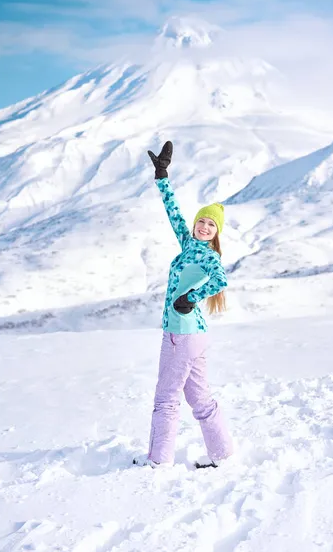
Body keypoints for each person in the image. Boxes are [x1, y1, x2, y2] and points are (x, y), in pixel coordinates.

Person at [133, 141, 233, 469]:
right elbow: (172, 210)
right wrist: (162, 176)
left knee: (166, 399)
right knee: (199, 398)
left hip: (181, 333)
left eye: (211, 225)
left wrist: (190, 298)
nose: (204, 226)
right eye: (202, 221)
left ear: (216, 233)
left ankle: (158, 461)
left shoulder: (208, 255)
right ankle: (222, 454)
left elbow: (220, 282)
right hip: (193, 335)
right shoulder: (189, 243)